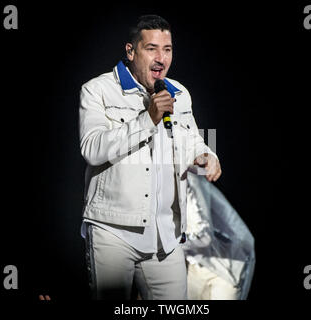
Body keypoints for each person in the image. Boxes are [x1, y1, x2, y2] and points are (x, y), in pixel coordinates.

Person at [79, 14, 221, 300]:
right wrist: (147, 119)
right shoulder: (98, 90)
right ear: (131, 51)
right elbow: (92, 149)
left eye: (167, 49)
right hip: (113, 231)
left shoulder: (179, 93)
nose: (161, 58)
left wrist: (205, 155)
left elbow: (190, 140)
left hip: (165, 235)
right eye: (151, 48)